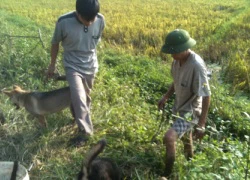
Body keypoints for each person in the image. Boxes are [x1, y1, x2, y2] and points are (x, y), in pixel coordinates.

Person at [46, 0, 105, 146]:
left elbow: (95, 41)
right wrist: (52, 65)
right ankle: (85, 132)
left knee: (85, 96)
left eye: (93, 19)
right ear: (77, 13)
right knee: (79, 97)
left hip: (90, 65)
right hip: (72, 65)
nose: (90, 23)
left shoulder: (100, 19)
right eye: (87, 19)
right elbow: (55, 43)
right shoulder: (64, 21)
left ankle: (77, 117)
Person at [158, 29, 211, 177]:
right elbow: (176, 81)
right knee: (187, 139)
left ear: (184, 48)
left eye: (174, 51)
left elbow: (206, 96)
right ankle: (190, 164)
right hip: (179, 106)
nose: (171, 55)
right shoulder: (176, 61)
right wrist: (166, 97)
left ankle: (166, 174)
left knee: (169, 138)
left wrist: (201, 124)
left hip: (191, 110)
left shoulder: (196, 66)